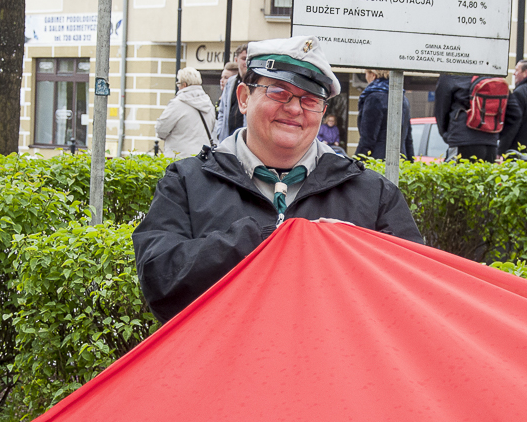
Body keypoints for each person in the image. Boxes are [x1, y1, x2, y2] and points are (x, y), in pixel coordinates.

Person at [133, 36, 423, 322]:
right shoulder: (187, 181)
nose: (295, 109)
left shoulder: (373, 193)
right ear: (244, 98)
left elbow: (414, 293)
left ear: (323, 111)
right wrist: (260, 238)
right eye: (279, 92)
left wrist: (351, 250)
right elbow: (160, 282)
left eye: (310, 99)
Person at [433, 73, 522, 162]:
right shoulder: (492, 74)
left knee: (456, 170)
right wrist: (496, 135)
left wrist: (447, 135)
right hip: (490, 144)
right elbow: (515, 114)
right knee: (484, 171)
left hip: (462, 139)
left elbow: (441, 109)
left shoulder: (452, 73)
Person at [156, 66, 216, 158]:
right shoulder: (209, 104)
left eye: (178, 83)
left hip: (180, 158)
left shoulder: (177, 104)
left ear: (184, 85)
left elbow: (161, 130)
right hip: (202, 158)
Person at [355, 69, 414, 160]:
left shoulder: (374, 98)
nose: (365, 77)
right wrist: (411, 161)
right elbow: (408, 139)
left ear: (373, 75)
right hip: (400, 160)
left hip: (378, 161)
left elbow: (367, 139)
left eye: (366, 74)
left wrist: (356, 162)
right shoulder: (403, 99)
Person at [215, 44, 249, 142]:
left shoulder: (255, 83)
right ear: (236, 60)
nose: (246, 62)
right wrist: (220, 132)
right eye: (243, 58)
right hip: (227, 139)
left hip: (245, 140)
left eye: (248, 59)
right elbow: (222, 110)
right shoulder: (231, 82)